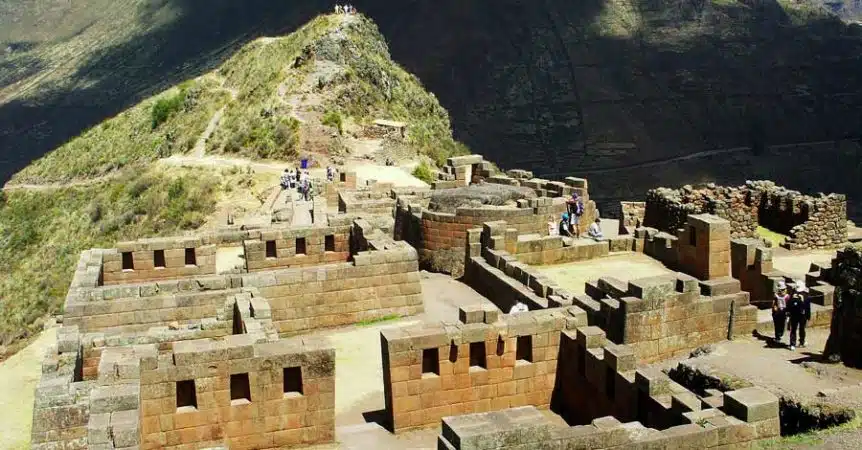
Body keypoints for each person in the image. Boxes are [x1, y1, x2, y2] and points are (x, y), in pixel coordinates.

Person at [787, 279, 811, 350]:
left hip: (799, 315)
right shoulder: (794, 296)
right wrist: (808, 316)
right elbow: (807, 307)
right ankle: (797, 343)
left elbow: (806, 306)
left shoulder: (805, 296)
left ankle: (797, 343)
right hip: (797, 315)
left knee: (799, 329)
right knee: (797, 329)